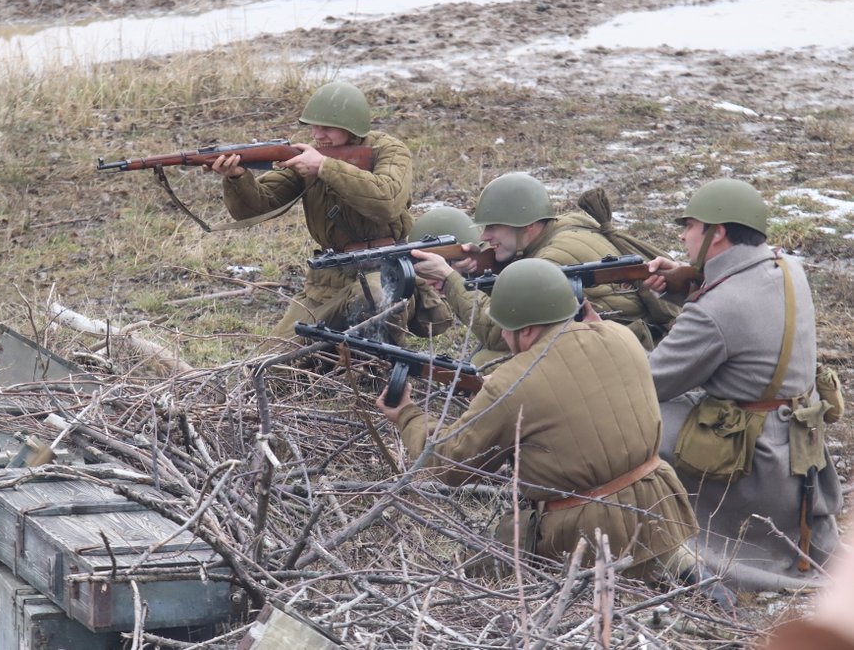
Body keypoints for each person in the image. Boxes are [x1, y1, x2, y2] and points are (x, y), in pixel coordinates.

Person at [375, 258, 727, 601]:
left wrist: (407, 415)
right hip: (659, 506)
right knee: (668, 568)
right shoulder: (621, 336)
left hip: (586, 535)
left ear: (525, 329)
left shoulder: (515, 382)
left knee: (474, 581)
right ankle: (683, 571)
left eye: (506, 330)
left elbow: (453, 465)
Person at [642, 178, 843, 592]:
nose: (682, 235)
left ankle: (662, 538)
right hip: (798, 453)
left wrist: (599, 337)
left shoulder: (717, 310)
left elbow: (647, 383)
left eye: (692, 226)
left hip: (754, 467)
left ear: (717, 234)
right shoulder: (789, 267)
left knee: (633, 421)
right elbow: (750, 319)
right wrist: (693, 283)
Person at [210, 81, 426, 349]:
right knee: (268, 362)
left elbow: (387, 201)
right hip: (327, 279)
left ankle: (376, 373)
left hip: (381, 268)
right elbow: (258, 206)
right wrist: (238, 178)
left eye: (326, 128)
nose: (318, 134)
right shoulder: (309, 156)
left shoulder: (388, 150)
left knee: (375, 298)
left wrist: (325, 167)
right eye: (313, 127)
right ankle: (328, 362)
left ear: (351, 126)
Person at [408, 172, 673, 366]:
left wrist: (449, 278)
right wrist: (481, 265)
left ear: (528, 225)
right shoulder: (567, 225)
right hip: (623, 337)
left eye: (494, 227)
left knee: (488, 362)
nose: (485, 236)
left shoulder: (552, 259)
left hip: (627, 352)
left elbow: (500, 332)